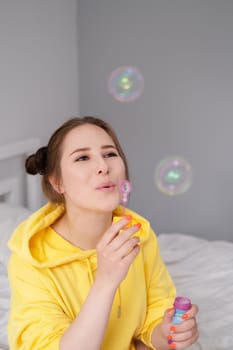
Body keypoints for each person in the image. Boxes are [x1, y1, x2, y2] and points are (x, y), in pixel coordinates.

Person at [8, 116, 199, 350]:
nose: (103, 166)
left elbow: (155, 316)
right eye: (82, 157)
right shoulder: (31, 262)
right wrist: (106, 281)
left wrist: (169, 331)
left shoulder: (139, 235)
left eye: (110, 154)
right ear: (58, 182)